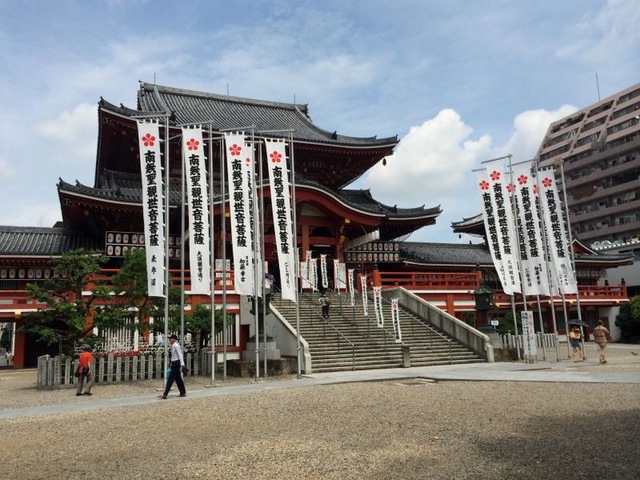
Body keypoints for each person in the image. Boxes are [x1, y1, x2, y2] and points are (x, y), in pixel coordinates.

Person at [158, 334, 186, 399]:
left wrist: (182, 364)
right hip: (174, 363)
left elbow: (180, 355)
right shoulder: (173, 346)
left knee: (170, 378)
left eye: (170, 339)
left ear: (173, 339)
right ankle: (182, 392)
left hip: (176, 363)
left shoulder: (176, 346)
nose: (169, 340)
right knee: (178, 378)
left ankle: (165, 394)